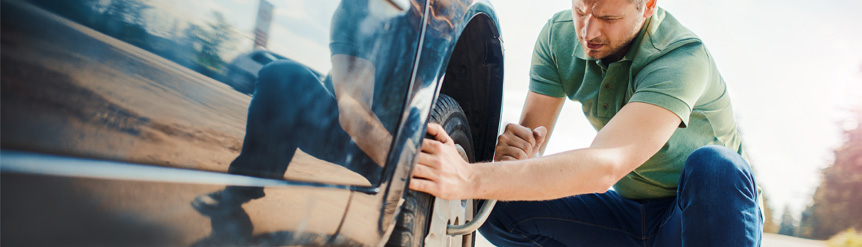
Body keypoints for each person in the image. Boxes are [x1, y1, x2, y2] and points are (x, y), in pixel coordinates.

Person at [409, 0, 762, 246]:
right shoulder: (559, 37)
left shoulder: (681, 58)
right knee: (496, 200)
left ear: (648, 6)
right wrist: (517, 157)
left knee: (716, 166)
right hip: (626, 219)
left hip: (694, 221)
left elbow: (604, 166)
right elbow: (528, 149)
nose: (588, 30)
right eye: (580, 10)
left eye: (608, 18)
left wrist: (467, 178)